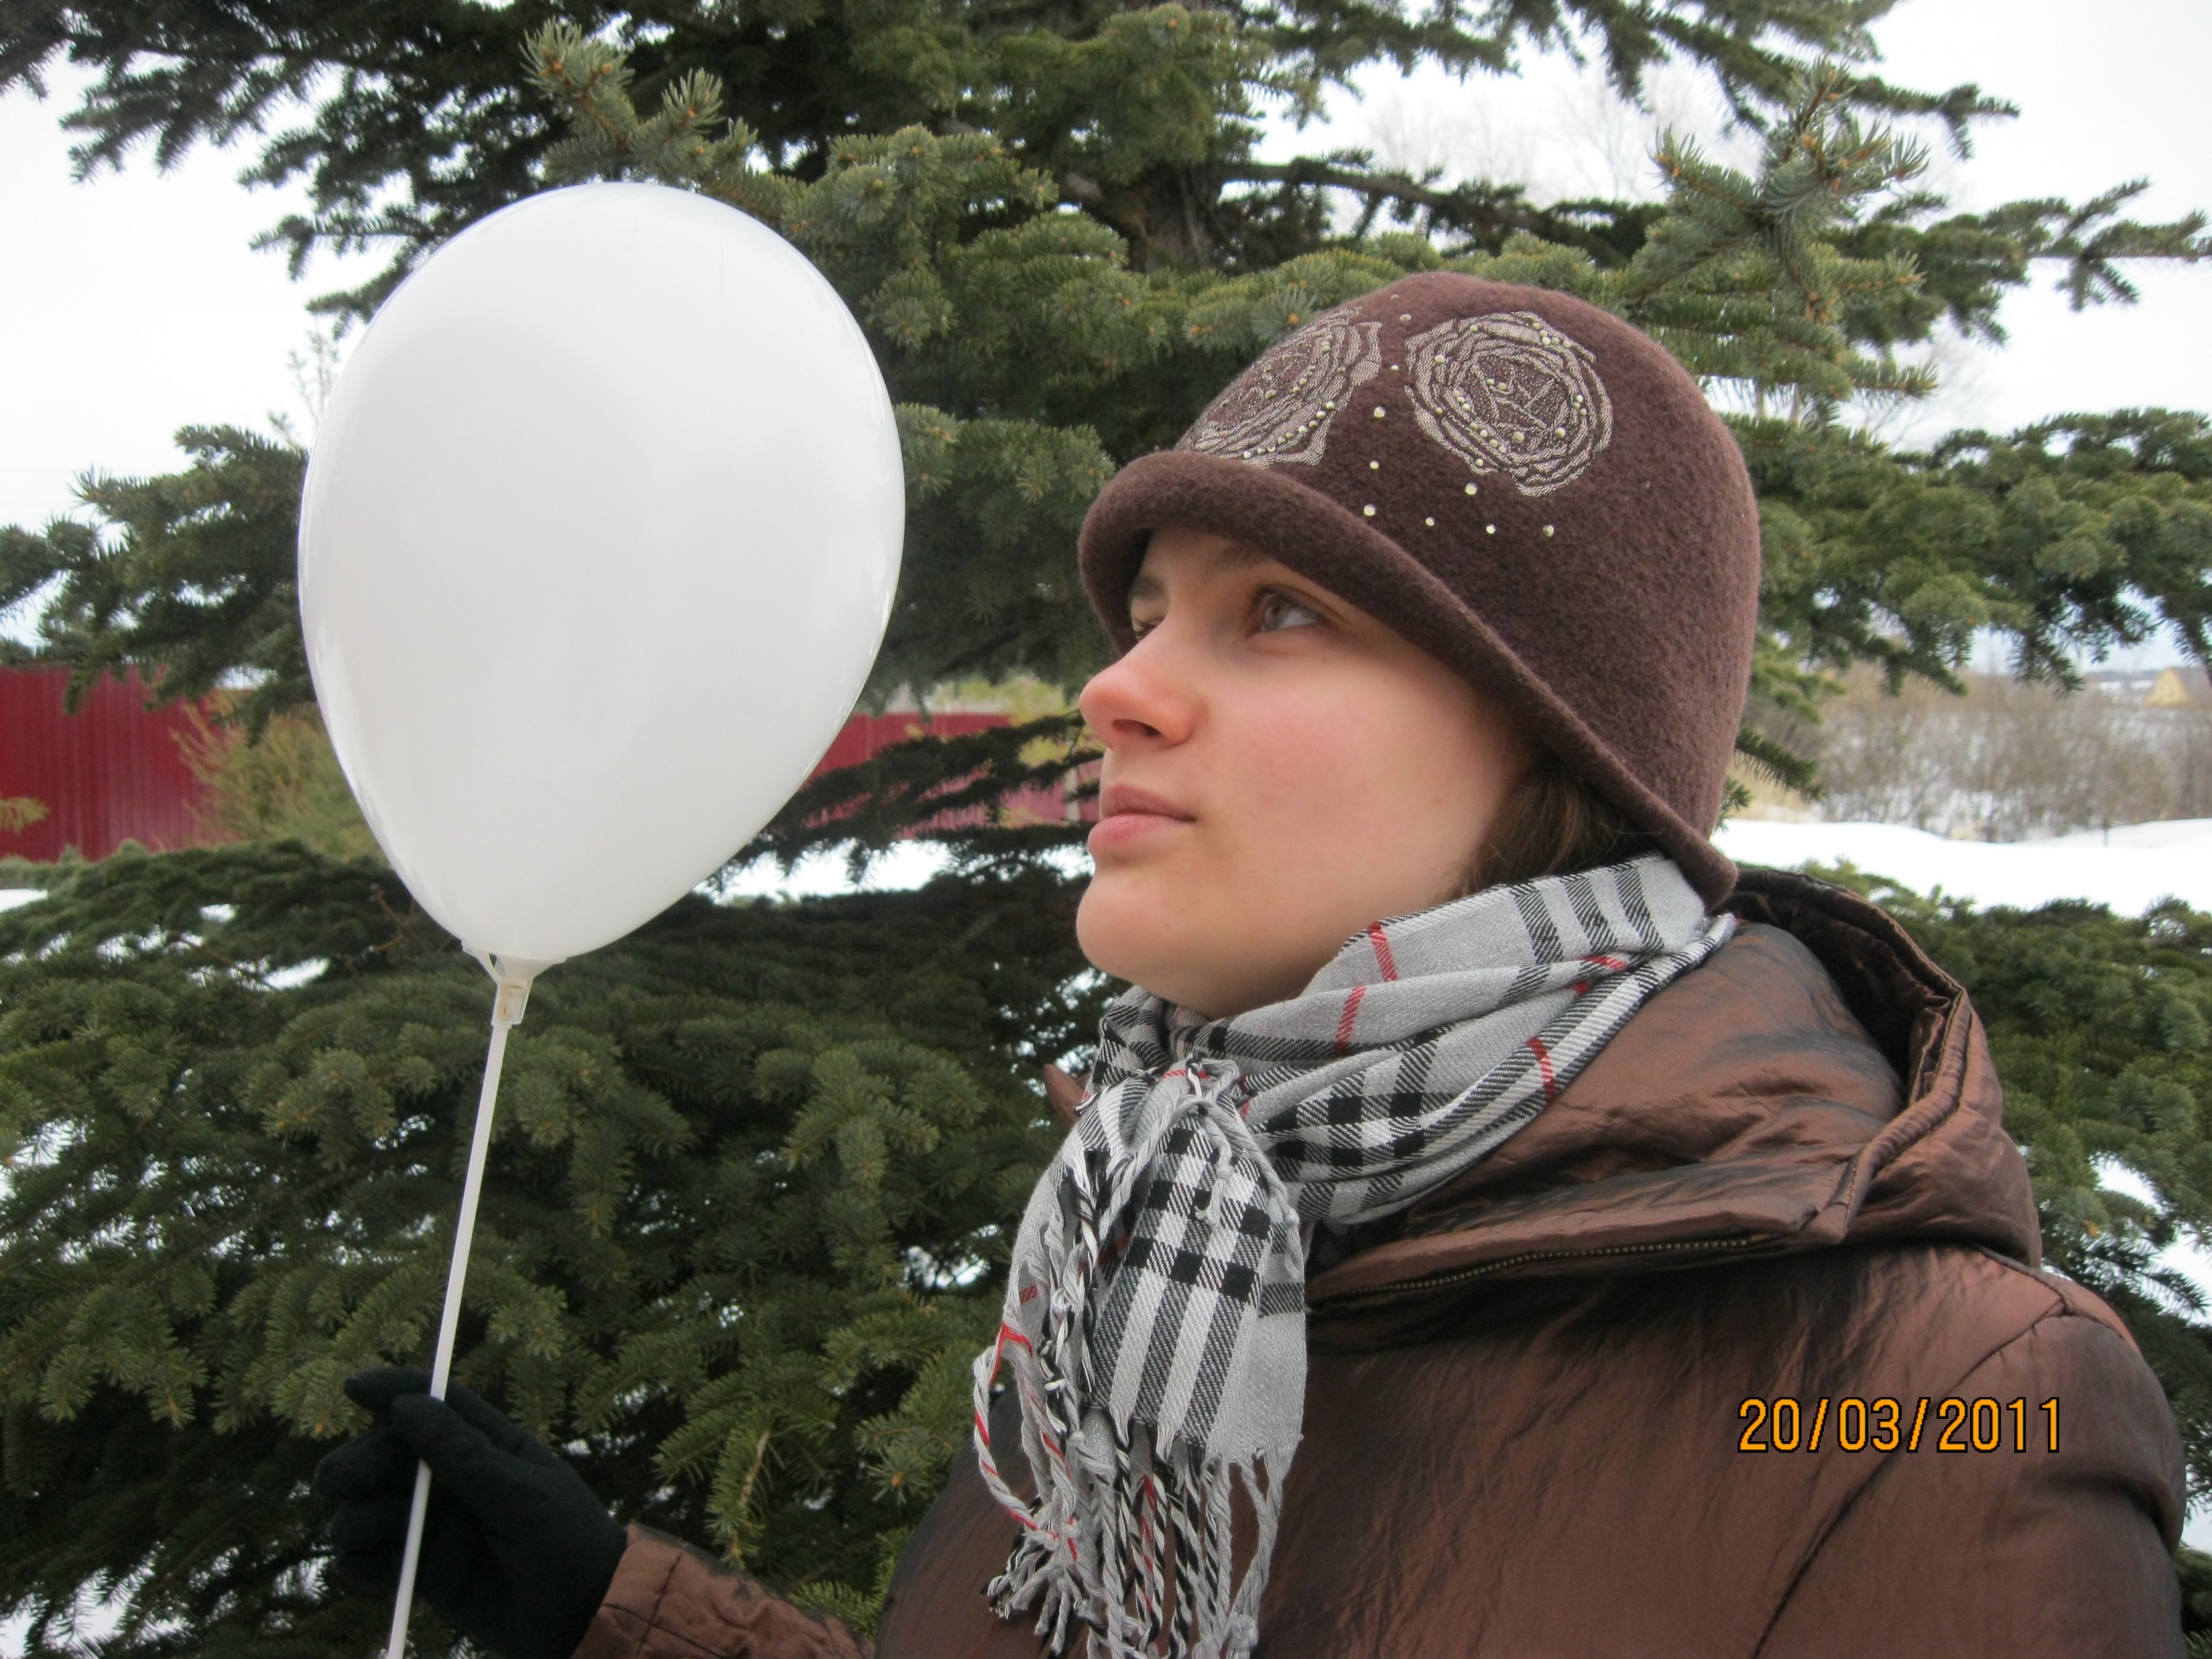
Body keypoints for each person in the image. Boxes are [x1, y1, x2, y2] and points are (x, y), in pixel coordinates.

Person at [316, 273, 2188, 1658]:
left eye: (1275, 612)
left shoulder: (1938, 1404)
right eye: (1145, 613)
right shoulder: (1156, 1228)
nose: (1116, 688)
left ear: (1561, 745)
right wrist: (618, 1617)